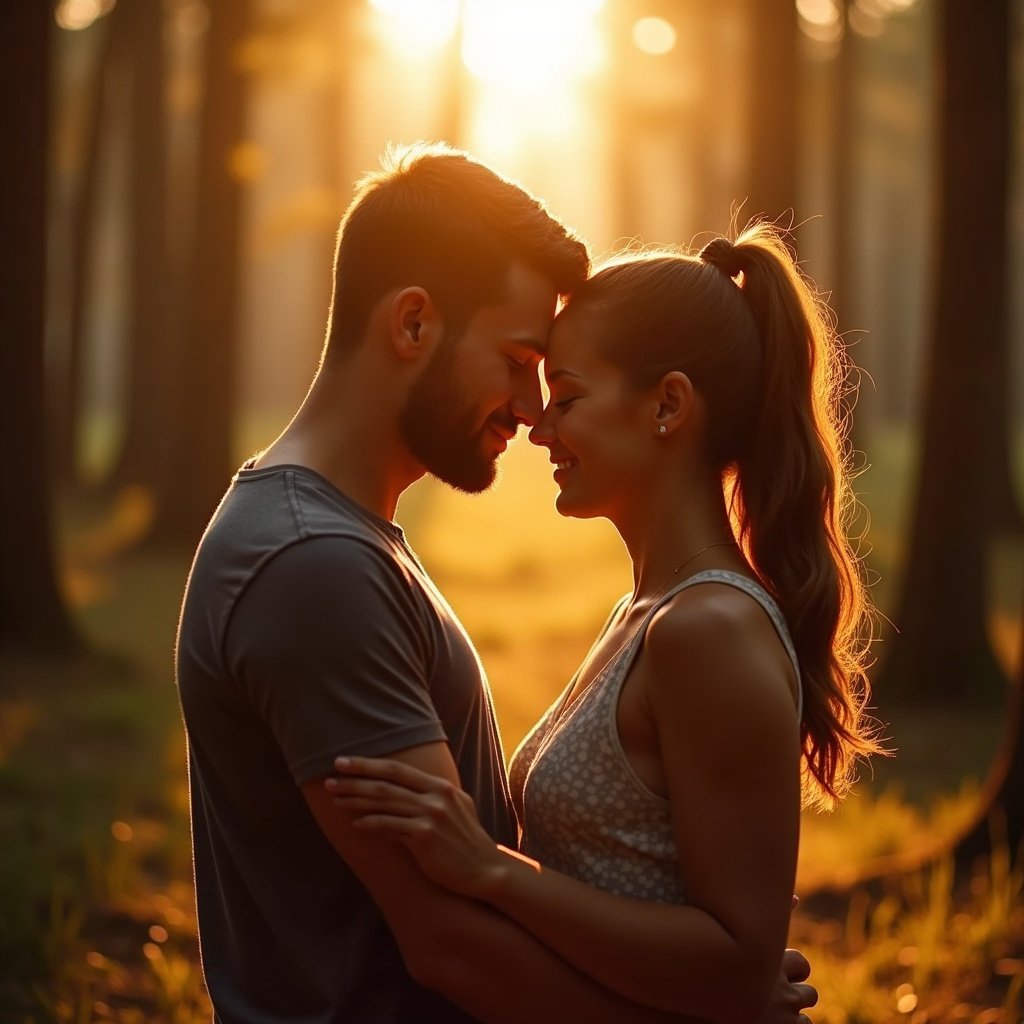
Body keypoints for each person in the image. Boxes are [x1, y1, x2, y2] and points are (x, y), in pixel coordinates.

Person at [176, 142, 818, 1023]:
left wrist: (715, 981)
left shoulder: (349, 547)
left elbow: (708, 935)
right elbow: (451, 941)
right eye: (520, 361)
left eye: (559, 386)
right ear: (412, 325)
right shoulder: (313, 566)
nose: (531, 413)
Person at [325, 226, 886, 1021]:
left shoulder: (709, 630)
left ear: (667, 405)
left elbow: (736, 964)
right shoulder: (648, 614)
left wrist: (490, 868)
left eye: (571, 398)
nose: (541, 430)